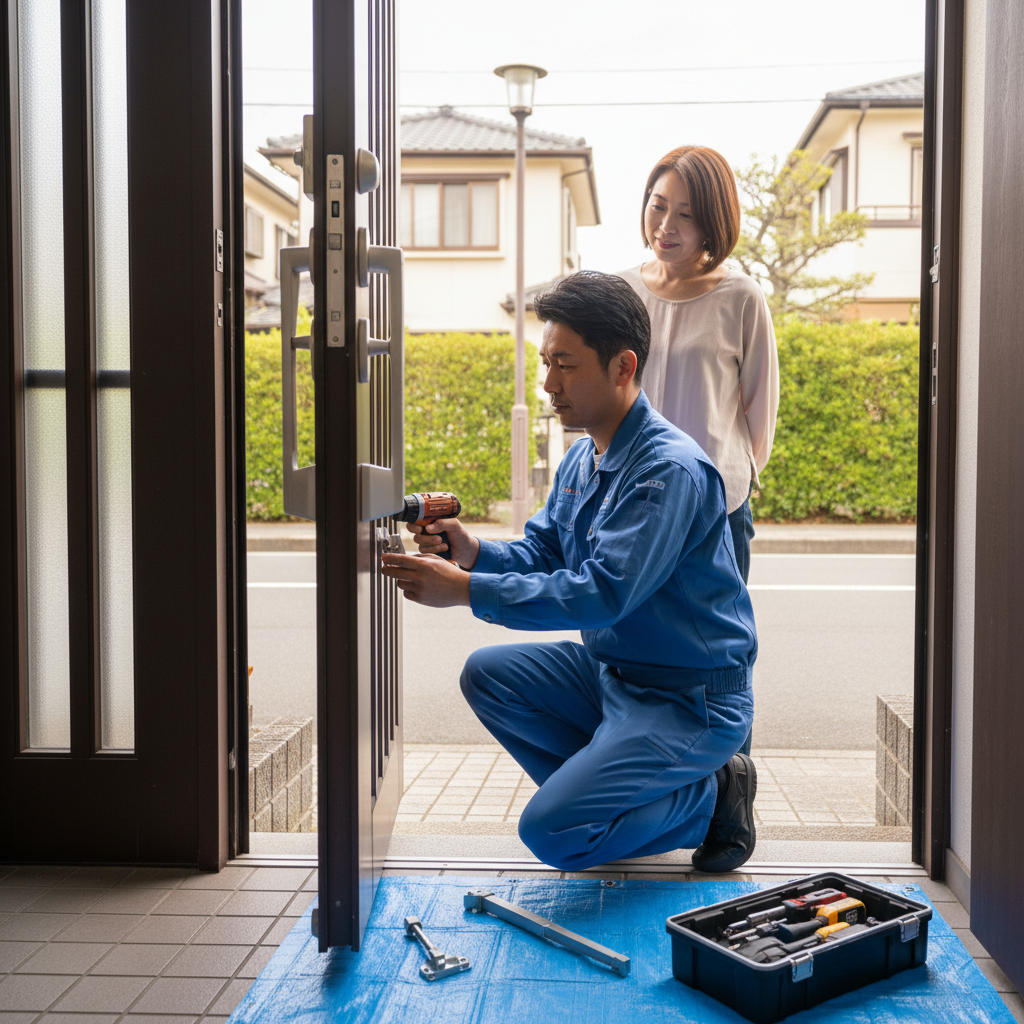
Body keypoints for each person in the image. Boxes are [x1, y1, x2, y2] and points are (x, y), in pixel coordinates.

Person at [381, 271, 758, 874]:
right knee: (489, 675)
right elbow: (545, 550)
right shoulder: (586, 455)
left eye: (566, 365)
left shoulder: (668, 472)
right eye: (545, 362)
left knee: (553, 836)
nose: (549, 383)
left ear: (622, 366)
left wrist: (465, 591)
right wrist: (471, 550)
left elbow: (600, 594)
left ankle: (710, 800)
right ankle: (609, 799)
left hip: (687, 697)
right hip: (615, 675)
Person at [619, 145, 779, 587]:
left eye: (686, 215)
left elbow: (760, 408)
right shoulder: (621, 290)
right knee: (628, 639)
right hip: (633, 500)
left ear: (713, 220)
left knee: (718, 645)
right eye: (659, 205)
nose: (666, 226)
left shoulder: (741, 296)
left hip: (716, 506)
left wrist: (732, 482)